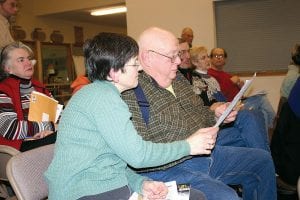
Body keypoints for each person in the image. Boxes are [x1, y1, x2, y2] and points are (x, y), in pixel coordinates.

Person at [45, 32, 211, 200]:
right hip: (84, 193)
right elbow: (138, 156)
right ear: (114, 72)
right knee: (193, 197)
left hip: (106, 186)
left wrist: (141, 184)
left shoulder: (101, 94)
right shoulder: (103, 99)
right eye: (134, 64)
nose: (140, 68)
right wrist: (188, 146)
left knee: (192, 195)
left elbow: (114, 161)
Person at [122, 27, 276, 200]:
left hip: (206, 154)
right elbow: (137, 153)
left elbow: (201, 113)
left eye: (178, 55)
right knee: (227, 197)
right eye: (172, 56)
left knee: (262, 161)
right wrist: (187, 145)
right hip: (169, 169)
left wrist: (217, 115)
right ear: (147, 57)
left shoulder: (178, 79)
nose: (179, 61)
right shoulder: (131, 92)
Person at [0, 41, 56, 151]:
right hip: (18, 149)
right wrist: (51, 127)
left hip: (46, 142)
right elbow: (10, 129)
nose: (28, 63)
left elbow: (60, 117)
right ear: (7, 68)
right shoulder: (3, 91)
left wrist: (49, 131)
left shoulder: (41, 89)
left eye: (28, 59)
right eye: (21, 60)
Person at [208, 47, 276, 130]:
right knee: (261, 99)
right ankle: (276, 125)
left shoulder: (225, 74)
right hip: (231, 106)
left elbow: (238, 91)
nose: (218, 58)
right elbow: (218, 94)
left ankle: (268, 137)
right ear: (211, 59)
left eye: (221, 56)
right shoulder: (210, 74)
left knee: (263, 113)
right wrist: (231, 82)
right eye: (215, 56)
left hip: (240, 101)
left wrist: (241, 86)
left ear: (225, 59)